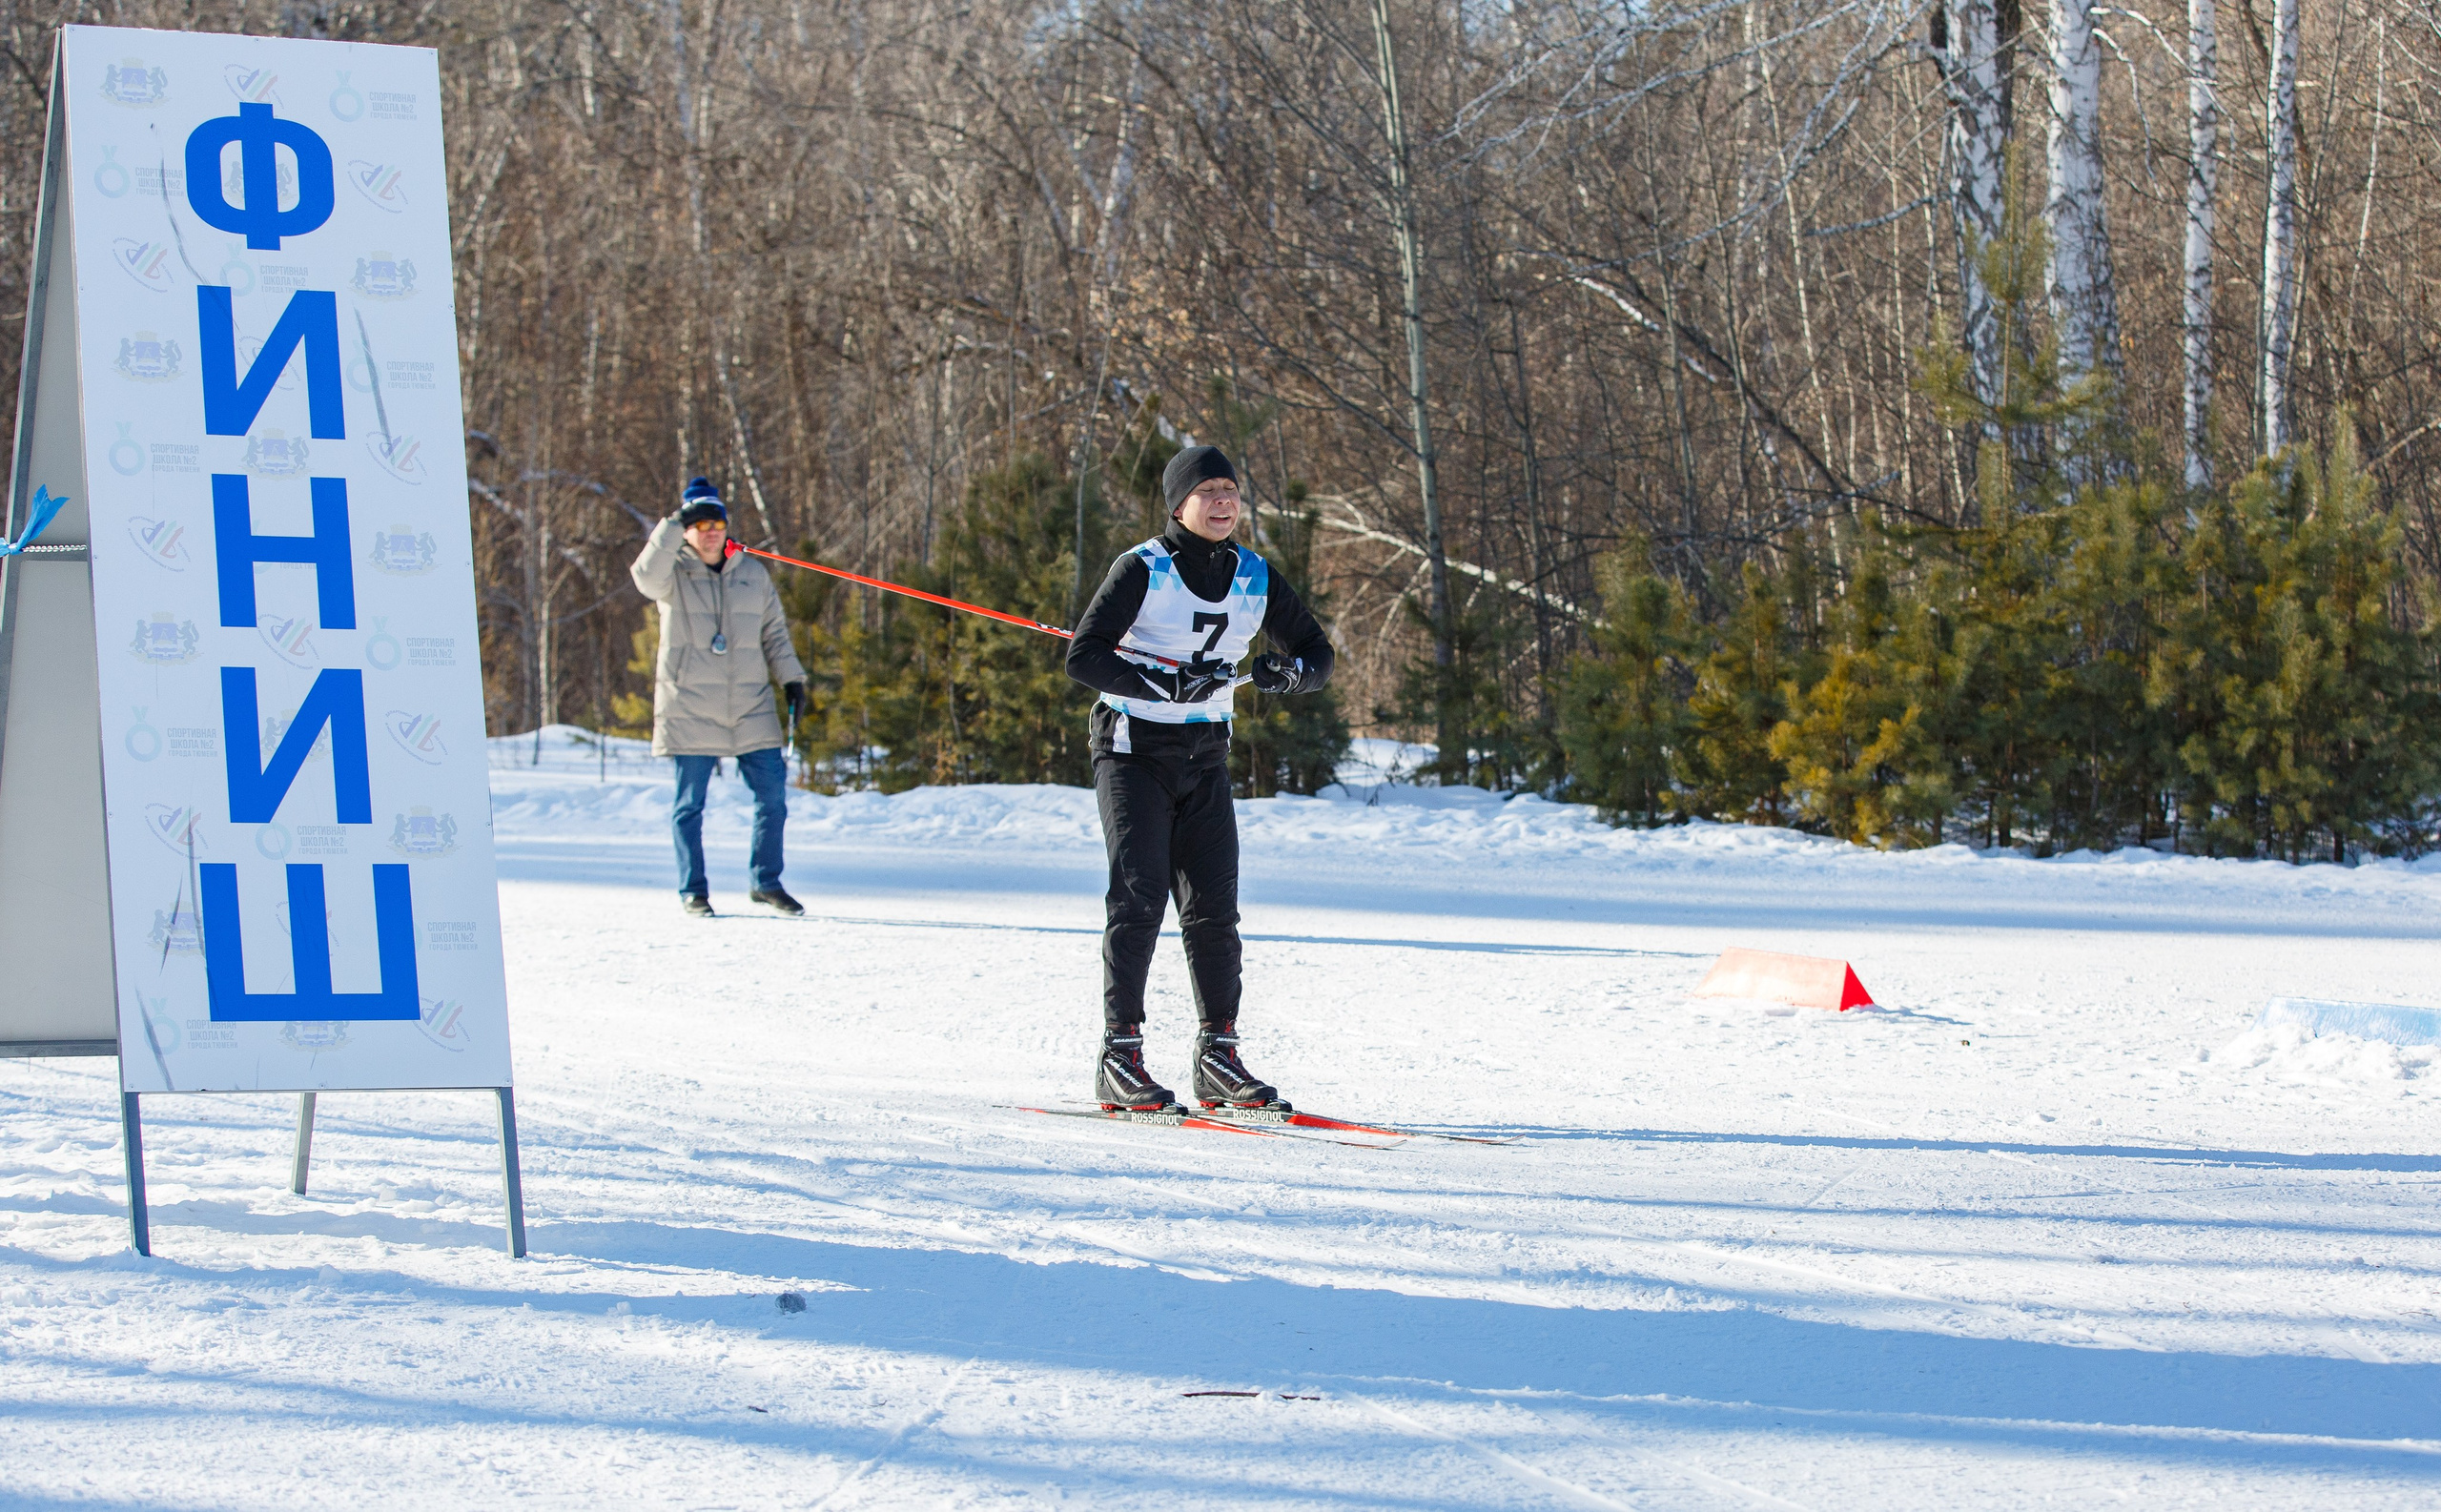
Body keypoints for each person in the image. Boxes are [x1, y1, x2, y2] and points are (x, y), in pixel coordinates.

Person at [1064, 445, 1336, 1111]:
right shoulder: (1143, 568)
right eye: (1209, 490)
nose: (1223, 502)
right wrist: (1159, 682)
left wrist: (1290, 672)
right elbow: (1084, 656)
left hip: (1205, 757)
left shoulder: (1253, 574)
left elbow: (1318, 653)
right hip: (1133, 753)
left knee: (1214, 910)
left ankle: (1219, 1055)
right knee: (1139, 899)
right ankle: (1119, 1058)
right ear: (1178, 503)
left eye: (1231, 491)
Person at [628, 478, 809, 917]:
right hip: (690, 706)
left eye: (718, 522)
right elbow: (643, 577)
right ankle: (694, 890)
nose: (711, 530)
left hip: (750, 705)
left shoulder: (752, 572)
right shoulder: (672, 573)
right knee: (689, 805)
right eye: (701, 523)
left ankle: (766, 881)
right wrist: (672, 523)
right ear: (687, 530)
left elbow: (775, 634)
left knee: (773, 797)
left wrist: (792, 679)